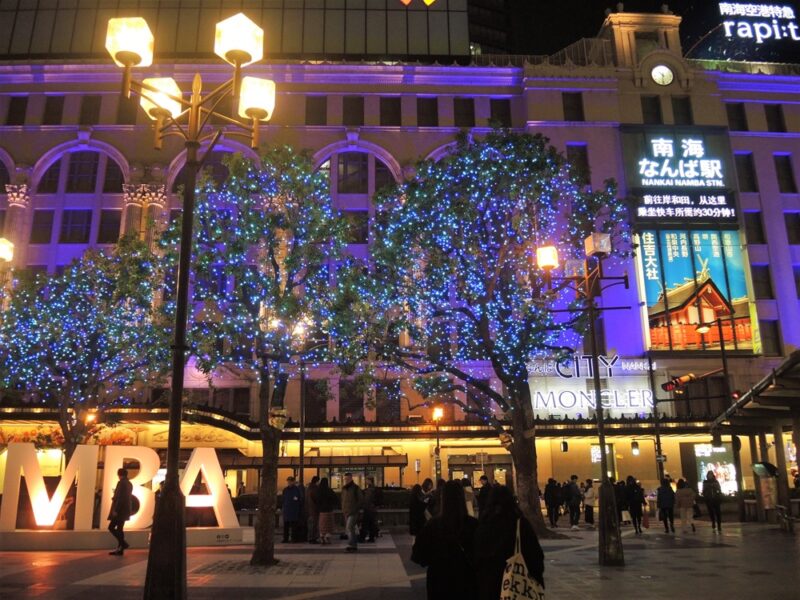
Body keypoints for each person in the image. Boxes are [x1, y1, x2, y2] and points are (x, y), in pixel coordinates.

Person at [411, 480, 479, 600]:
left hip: (439, 581)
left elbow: (418, 556)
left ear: (443, 499)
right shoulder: (473, 525)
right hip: (466, 581)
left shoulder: (433, 526)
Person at [474, 485, 544, 600]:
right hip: (516, 584)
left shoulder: (484, 525)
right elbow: (536, 556)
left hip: (490, 584)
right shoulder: (519, 524)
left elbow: (477, 556)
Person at [108, 468, 133, 556]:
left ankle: (123, 544)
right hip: (125, 510)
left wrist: (116, 510)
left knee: (111, 527)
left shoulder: (121, 483)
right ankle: (120, 549)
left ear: (119, 474)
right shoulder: (129, 483)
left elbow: (121, 498)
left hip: (120, 510)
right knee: (120, 529)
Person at [341, 472, 363, 552]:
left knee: (349, 527)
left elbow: (360, 500)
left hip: (353, 512)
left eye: (347, 479)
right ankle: (353, 545)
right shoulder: (344, 488)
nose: (345, 480)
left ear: (351, 478)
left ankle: (352, 545)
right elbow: (343, 500)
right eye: (345, 479)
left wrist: (355, 509)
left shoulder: (355, 488)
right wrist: (343, 509)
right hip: (346, 511)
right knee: (350, 528)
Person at [359, 476, 381, 543]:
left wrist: (363, 505)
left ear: (369, 481)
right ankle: (371, 538)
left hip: (368, 509)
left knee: (365, 523)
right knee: (371, 524)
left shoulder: (370, 489)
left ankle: (362, 538)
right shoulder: (373, 488)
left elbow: (367, 499)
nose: (365, 481)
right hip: (372, 509)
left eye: (366, 480)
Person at [281, 476, 303, 543]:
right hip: (287, 510)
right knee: (286, 526)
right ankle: (286, 538)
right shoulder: (285, 490)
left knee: (294, 526)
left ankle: (294, 538)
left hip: (294, 510)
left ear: (293, 482)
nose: (289, 482)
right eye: (288, 481)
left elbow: (300, 499)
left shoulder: (297, 490)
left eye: (290, 481)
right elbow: (283, 499)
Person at [317, 477, 337, 544]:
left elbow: (317, 500)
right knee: (329, 525)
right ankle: (328, 536)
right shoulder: (329, 490)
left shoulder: (319, 490)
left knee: (322, 524)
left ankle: (322, 535)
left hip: (321, 511)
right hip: (329, 510)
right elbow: (335, 498)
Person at [306, 475, 320, 543]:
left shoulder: (308, 488)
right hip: (314, 509)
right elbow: (317, 499)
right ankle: (313, 538)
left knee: (310, 524)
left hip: (309, 509)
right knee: (314, 524)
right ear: (317, 481)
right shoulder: (315, 489)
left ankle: (310, 537)